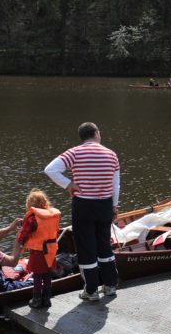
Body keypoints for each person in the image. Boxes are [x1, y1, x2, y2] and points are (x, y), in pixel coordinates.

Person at [44, 122, 120, 302]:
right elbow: (116, 185)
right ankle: (110, 286)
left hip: (83, 205)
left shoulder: (74, 152)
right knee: (104, 244)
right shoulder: (111, 155)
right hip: (104, 205)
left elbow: (50, 170)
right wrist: (114, 205)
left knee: (86, 247)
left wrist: (68, 184)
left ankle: (91, 291)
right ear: (96, 134)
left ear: (82, 136)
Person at [18, 189, 61, 309]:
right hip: (51, 250)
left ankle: (36, 300)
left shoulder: (32, 218)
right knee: (47, 274)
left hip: (38, 251)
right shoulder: (52, 215)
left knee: (37, 275)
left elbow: (25, 233)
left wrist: (20, 244)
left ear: (30, 205)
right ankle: (47, 299)